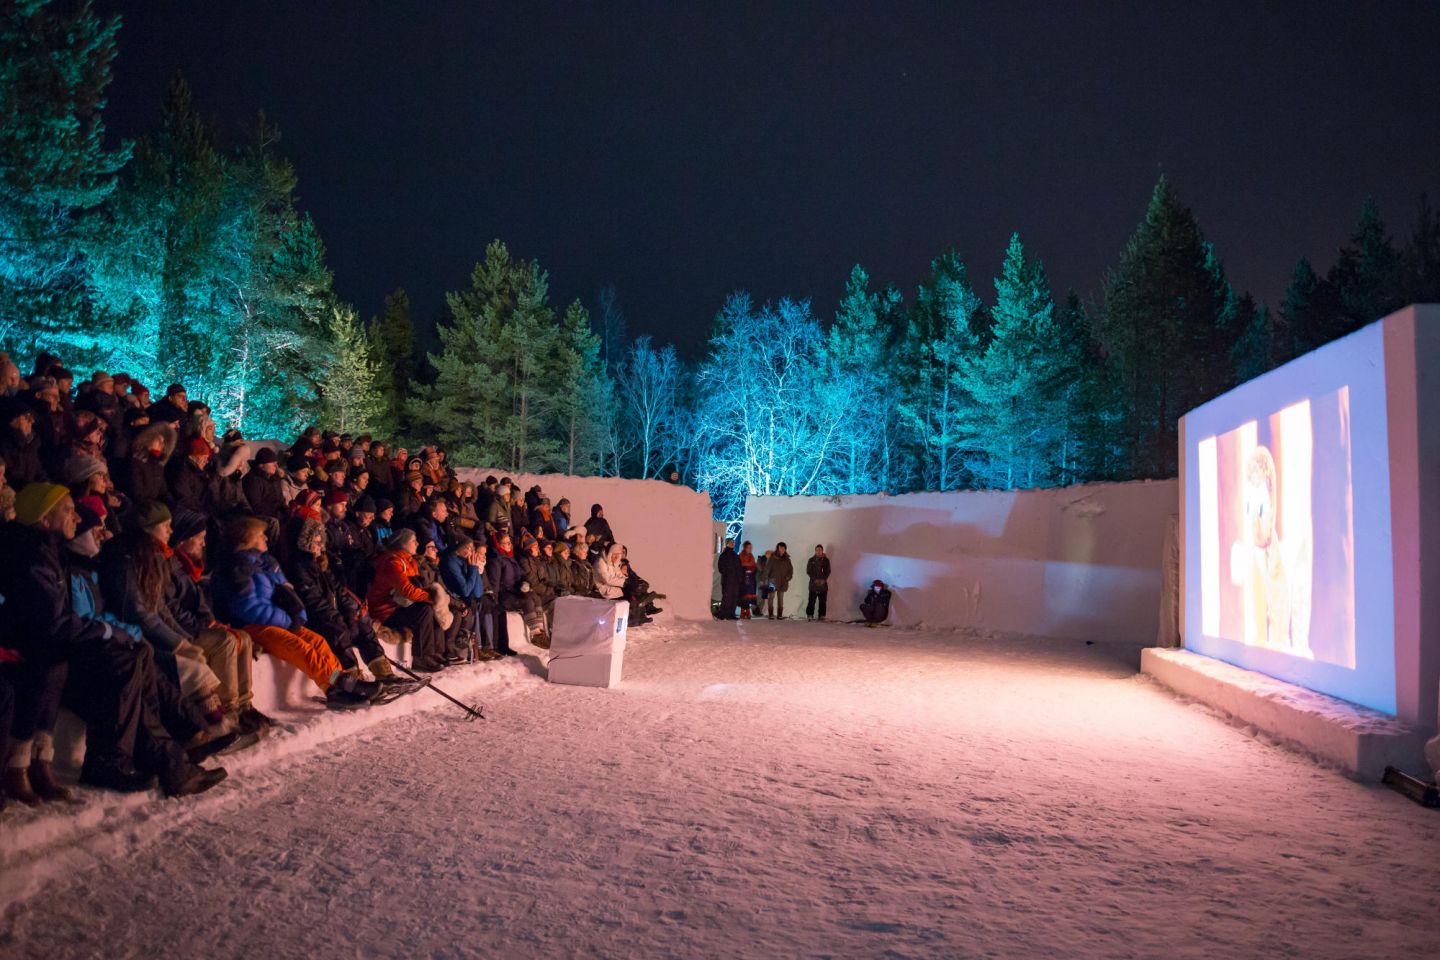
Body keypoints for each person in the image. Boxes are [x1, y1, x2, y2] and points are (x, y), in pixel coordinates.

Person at [216, 516, 380, 708]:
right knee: (302, 649)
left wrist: (297, 614)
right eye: (261, 535)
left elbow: (287, 593)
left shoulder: (266, 563)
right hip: (252, 626)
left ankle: (339, 685)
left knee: (318, 642)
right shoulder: (237, 568)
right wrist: (287, 620)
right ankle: (335, 685)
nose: (266, 539)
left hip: (276, 621)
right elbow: (248, 608)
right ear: (247, 539)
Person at [368, 528, 449, 671]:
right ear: (403, 543)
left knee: (430, 608)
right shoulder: (392, 562)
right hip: (386, 612)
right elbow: (407, 591)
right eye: (413, 540)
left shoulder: (408, 561)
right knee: (424, 610)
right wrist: (430, 597)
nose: (417, 543)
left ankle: (433, 652)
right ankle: (421, 658)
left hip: (399, 606)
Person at [766, 542, 794, 620]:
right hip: (772, 581)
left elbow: (790, 570)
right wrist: (766, 579)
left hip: (783, 581)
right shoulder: (772, 558)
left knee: (780, 598)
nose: (782, 550)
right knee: (771, 597)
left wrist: (788, 577)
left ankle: (779, 615)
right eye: (780, 548)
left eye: (783, 548)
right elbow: (767, 569)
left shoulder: (787, 559)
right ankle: (771, 614)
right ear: (777, 549)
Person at [716, 538, 741, 620]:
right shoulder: (724, 555)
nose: (732, 544)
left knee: (734, 597)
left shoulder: (735, 555)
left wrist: (738, 577)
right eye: (731, 542)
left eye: (733, 542)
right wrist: (727, 574)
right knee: (727, 597)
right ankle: (723, 614)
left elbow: (739, 568)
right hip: (727, 580)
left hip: (735, 580)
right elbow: (721, 567)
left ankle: (731, 614)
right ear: (727, 543)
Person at [806, 544, 831, 621]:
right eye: (817, 550)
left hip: (823, 585)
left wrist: (823, 580)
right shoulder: (811, 560)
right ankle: (810, 615)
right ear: (815, 551)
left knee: (823, 601)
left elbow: (828, 571)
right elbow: (808, 571)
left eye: (820, 550)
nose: (818, 551)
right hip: (813, 584)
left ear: (822, 551)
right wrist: (815, 579)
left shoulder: (826, 560)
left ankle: (822, 615)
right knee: (811, 601)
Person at [738, 541, 758, 619]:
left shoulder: (751, 556)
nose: (751, 549)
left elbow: (754, 565)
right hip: (743, 578)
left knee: (750, 595)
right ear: (745, 548)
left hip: (751, 578)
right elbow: (740, 566)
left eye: (751, 548)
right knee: (744, 595)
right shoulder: (741, 556)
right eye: (749, 547)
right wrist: (747, 569)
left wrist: (753, 569)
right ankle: (743, 612)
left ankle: (748, 611)